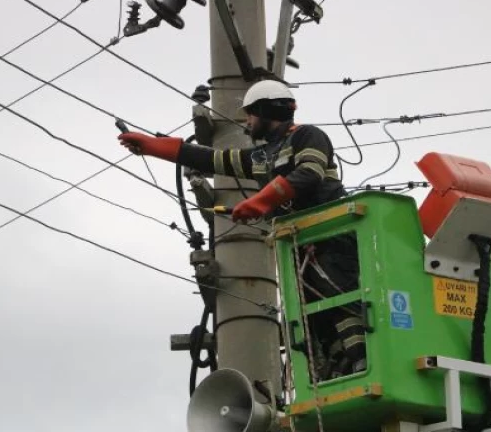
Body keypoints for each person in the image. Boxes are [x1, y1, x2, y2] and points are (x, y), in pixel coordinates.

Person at [117, 80, 366, 377]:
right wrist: (152, 146)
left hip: (332, 236)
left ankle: (362, 360)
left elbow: (309, 173)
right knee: (312, 315)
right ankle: (336, 371)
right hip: (301, 245)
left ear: (265, 110)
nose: (247, 121)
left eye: (250, 114)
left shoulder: (308, 136)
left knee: (337, 299)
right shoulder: (261, 156)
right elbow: (212, 158)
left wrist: (262, 200)